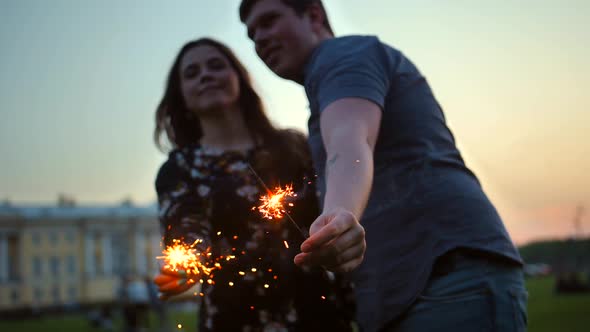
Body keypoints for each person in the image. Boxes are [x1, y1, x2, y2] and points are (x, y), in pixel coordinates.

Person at [239, 1, 528, 331]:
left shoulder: (344, 55)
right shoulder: (328, 84)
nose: (259, 38)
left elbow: (350, 141)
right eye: (252, 33)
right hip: (411, 288)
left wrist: (338, 214)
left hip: (444, 276)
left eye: (269, 21)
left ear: (314, 15)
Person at [152, 37, 356, 331]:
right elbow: (185, 224)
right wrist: (187, 258)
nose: (205, 75)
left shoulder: (293, 146)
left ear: (239, 78)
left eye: (215, 65)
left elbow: (331, 203)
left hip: (315, 310)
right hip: (235, 317)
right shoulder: (179, 169)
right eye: (192, 73)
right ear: (181, 95)